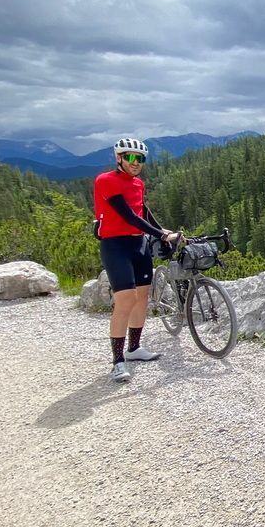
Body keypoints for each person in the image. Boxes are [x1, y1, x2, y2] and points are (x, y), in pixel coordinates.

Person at [93, 137, 184, 383]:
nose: (136, 163)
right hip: (116, 246)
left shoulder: (137, 183)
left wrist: (162, 231)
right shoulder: (106, 181)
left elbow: (143, 211)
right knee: (125, 300)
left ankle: (134, 349)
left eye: (140, 158)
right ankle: (117, 361)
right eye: (131, 157)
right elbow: (128, 216)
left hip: (138, 244)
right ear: (119, 157)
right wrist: (162, 234)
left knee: (142, 297)